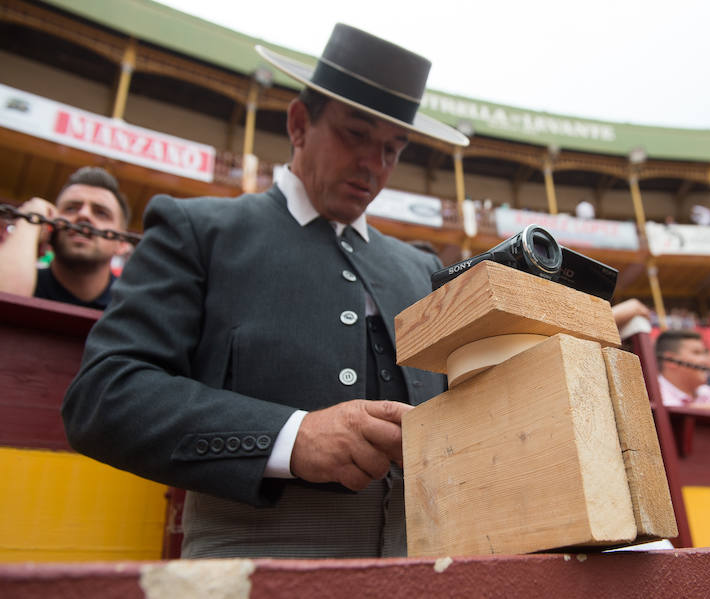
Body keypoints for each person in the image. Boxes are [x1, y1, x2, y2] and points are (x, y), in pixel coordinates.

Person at [62, 24, 469, 559]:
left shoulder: (419, 269)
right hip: (247, 572)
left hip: (426, 574)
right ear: (299, 125)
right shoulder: (199, 230)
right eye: (355, 134)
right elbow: (104, 396)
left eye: (393, 149)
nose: (374, 165)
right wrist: (290, 437)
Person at [0, 167, 130, 309]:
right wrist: (30, 221)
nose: (84, 215)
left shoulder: (133, 304)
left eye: (101, 213)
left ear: (122, 242)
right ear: (51, 225)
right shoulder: (25, 282)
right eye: (71, 208)